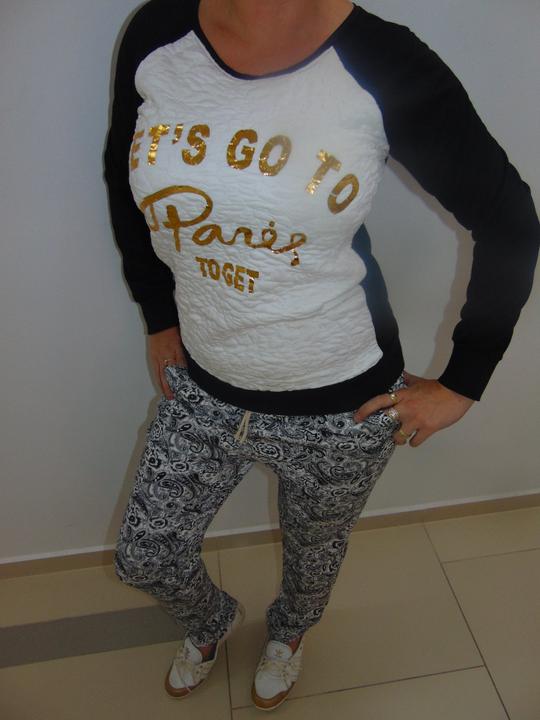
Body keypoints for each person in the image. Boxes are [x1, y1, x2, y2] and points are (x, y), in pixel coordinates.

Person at [103, 0, 539, 710]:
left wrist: (464, 382)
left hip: (343, 399)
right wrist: (158, 313)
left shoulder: (382, 60)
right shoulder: (159, 31)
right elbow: (123, 175)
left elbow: (509, 219)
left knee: (315, 553)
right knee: (146, 556)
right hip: (204, 386)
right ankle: (211, 622)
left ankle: (290, 634)